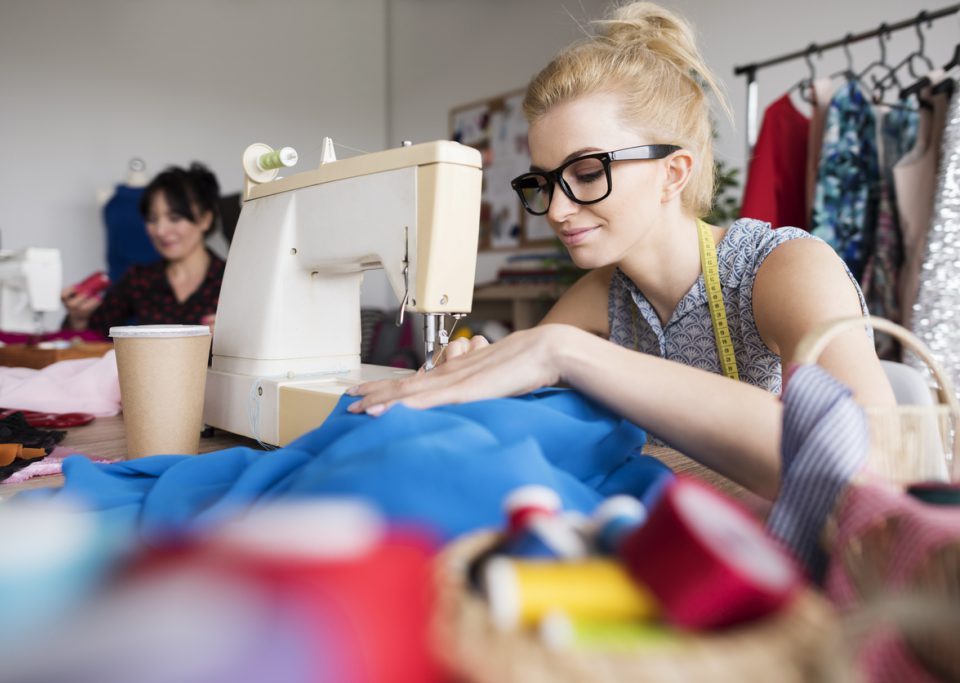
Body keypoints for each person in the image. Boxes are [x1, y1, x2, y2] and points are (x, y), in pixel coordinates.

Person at [347, 2, 895, 500]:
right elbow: (520, 417)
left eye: (587, 173)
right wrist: (474, 374)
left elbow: (869, 458)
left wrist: (566, 351)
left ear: (673, 172)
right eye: (544, 182)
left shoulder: (781, 269)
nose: (558, 210)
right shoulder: (601, 298)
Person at [62, 163, 226, 337]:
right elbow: (90, 339)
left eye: (174, 218)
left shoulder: (233, 282)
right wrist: (79, 318)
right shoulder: (139, 280)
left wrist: (235, 336)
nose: (160, 231)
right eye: (152, 219)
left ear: (205, 219)